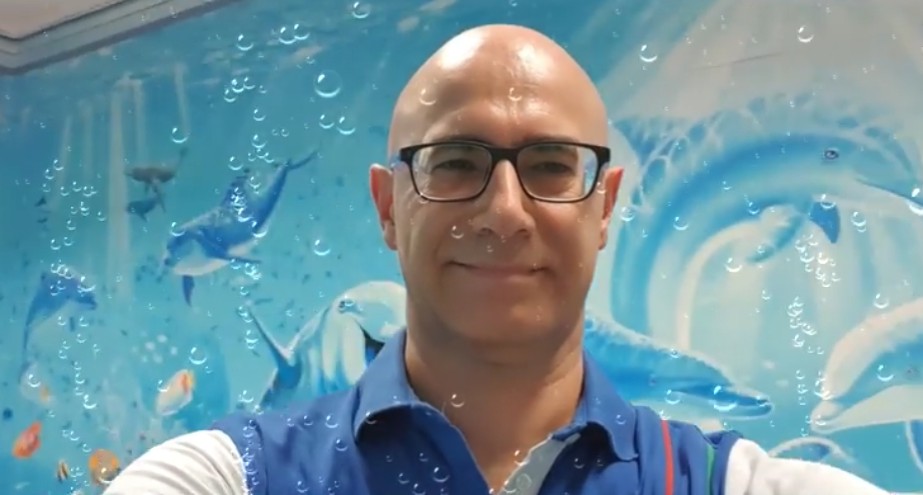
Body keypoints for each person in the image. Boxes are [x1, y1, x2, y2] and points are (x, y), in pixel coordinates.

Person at [104, 24, 888, 495]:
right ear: (387, 205)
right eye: (453, 163)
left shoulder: (732, 482)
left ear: (603, 206)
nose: (505, 211)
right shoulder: (227, 477)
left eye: (550, 164)